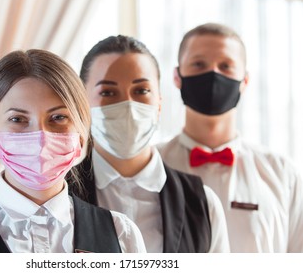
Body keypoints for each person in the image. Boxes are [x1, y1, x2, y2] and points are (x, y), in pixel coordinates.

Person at [0, 49, 146, 253]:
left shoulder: (121, 236)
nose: (41, 137)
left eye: (58, 117)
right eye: (18, 119)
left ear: (82, 132)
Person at [71, 35, 230, 253]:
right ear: (82, 103)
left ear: (159, 102)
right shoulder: (57, 196)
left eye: (141, 91)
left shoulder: (203, 204)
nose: (127, 105)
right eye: (107, 92)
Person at [157, 23, 303, 252]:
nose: (213, 74)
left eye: (225, 66)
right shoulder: (151, 163)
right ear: (177, 76)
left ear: (244, 81)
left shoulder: (283, 173)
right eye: (199, 64)